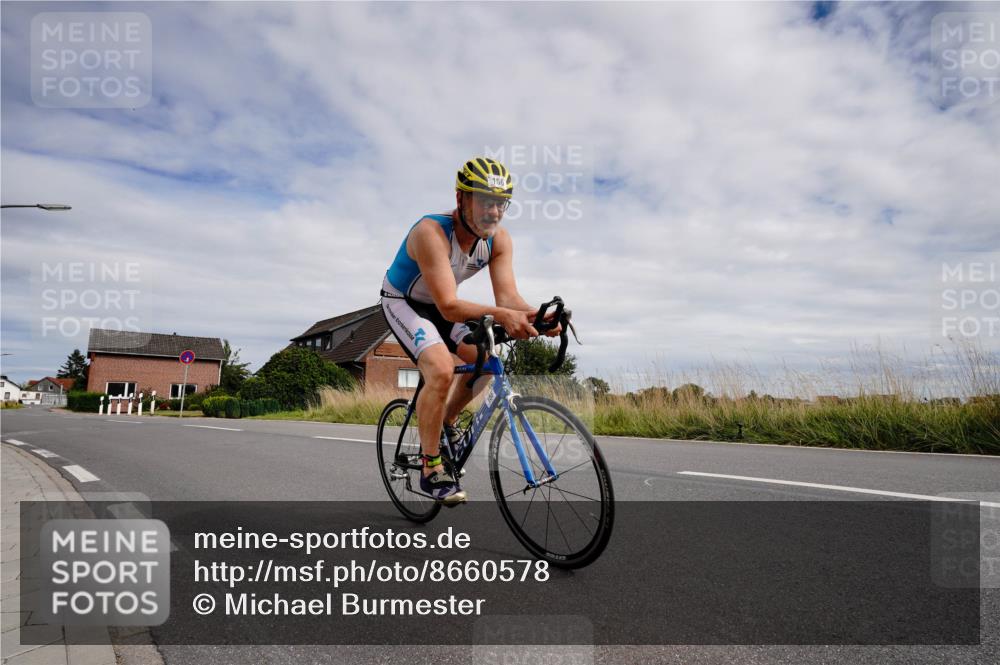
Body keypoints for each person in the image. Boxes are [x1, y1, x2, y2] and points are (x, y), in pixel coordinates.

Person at [380, 157, 559, 504]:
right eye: (485, 201)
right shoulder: (430, 232)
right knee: (440, 368)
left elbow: (508, 298)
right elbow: (449, 305)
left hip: (441, 305)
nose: (494, 212)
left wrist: (538, 317)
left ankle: (447, 421)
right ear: (461, 198)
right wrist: (503, 315)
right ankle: (431, 468)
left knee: (485, 361)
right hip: (404, 302)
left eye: (501, 203)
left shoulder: (498, 240)